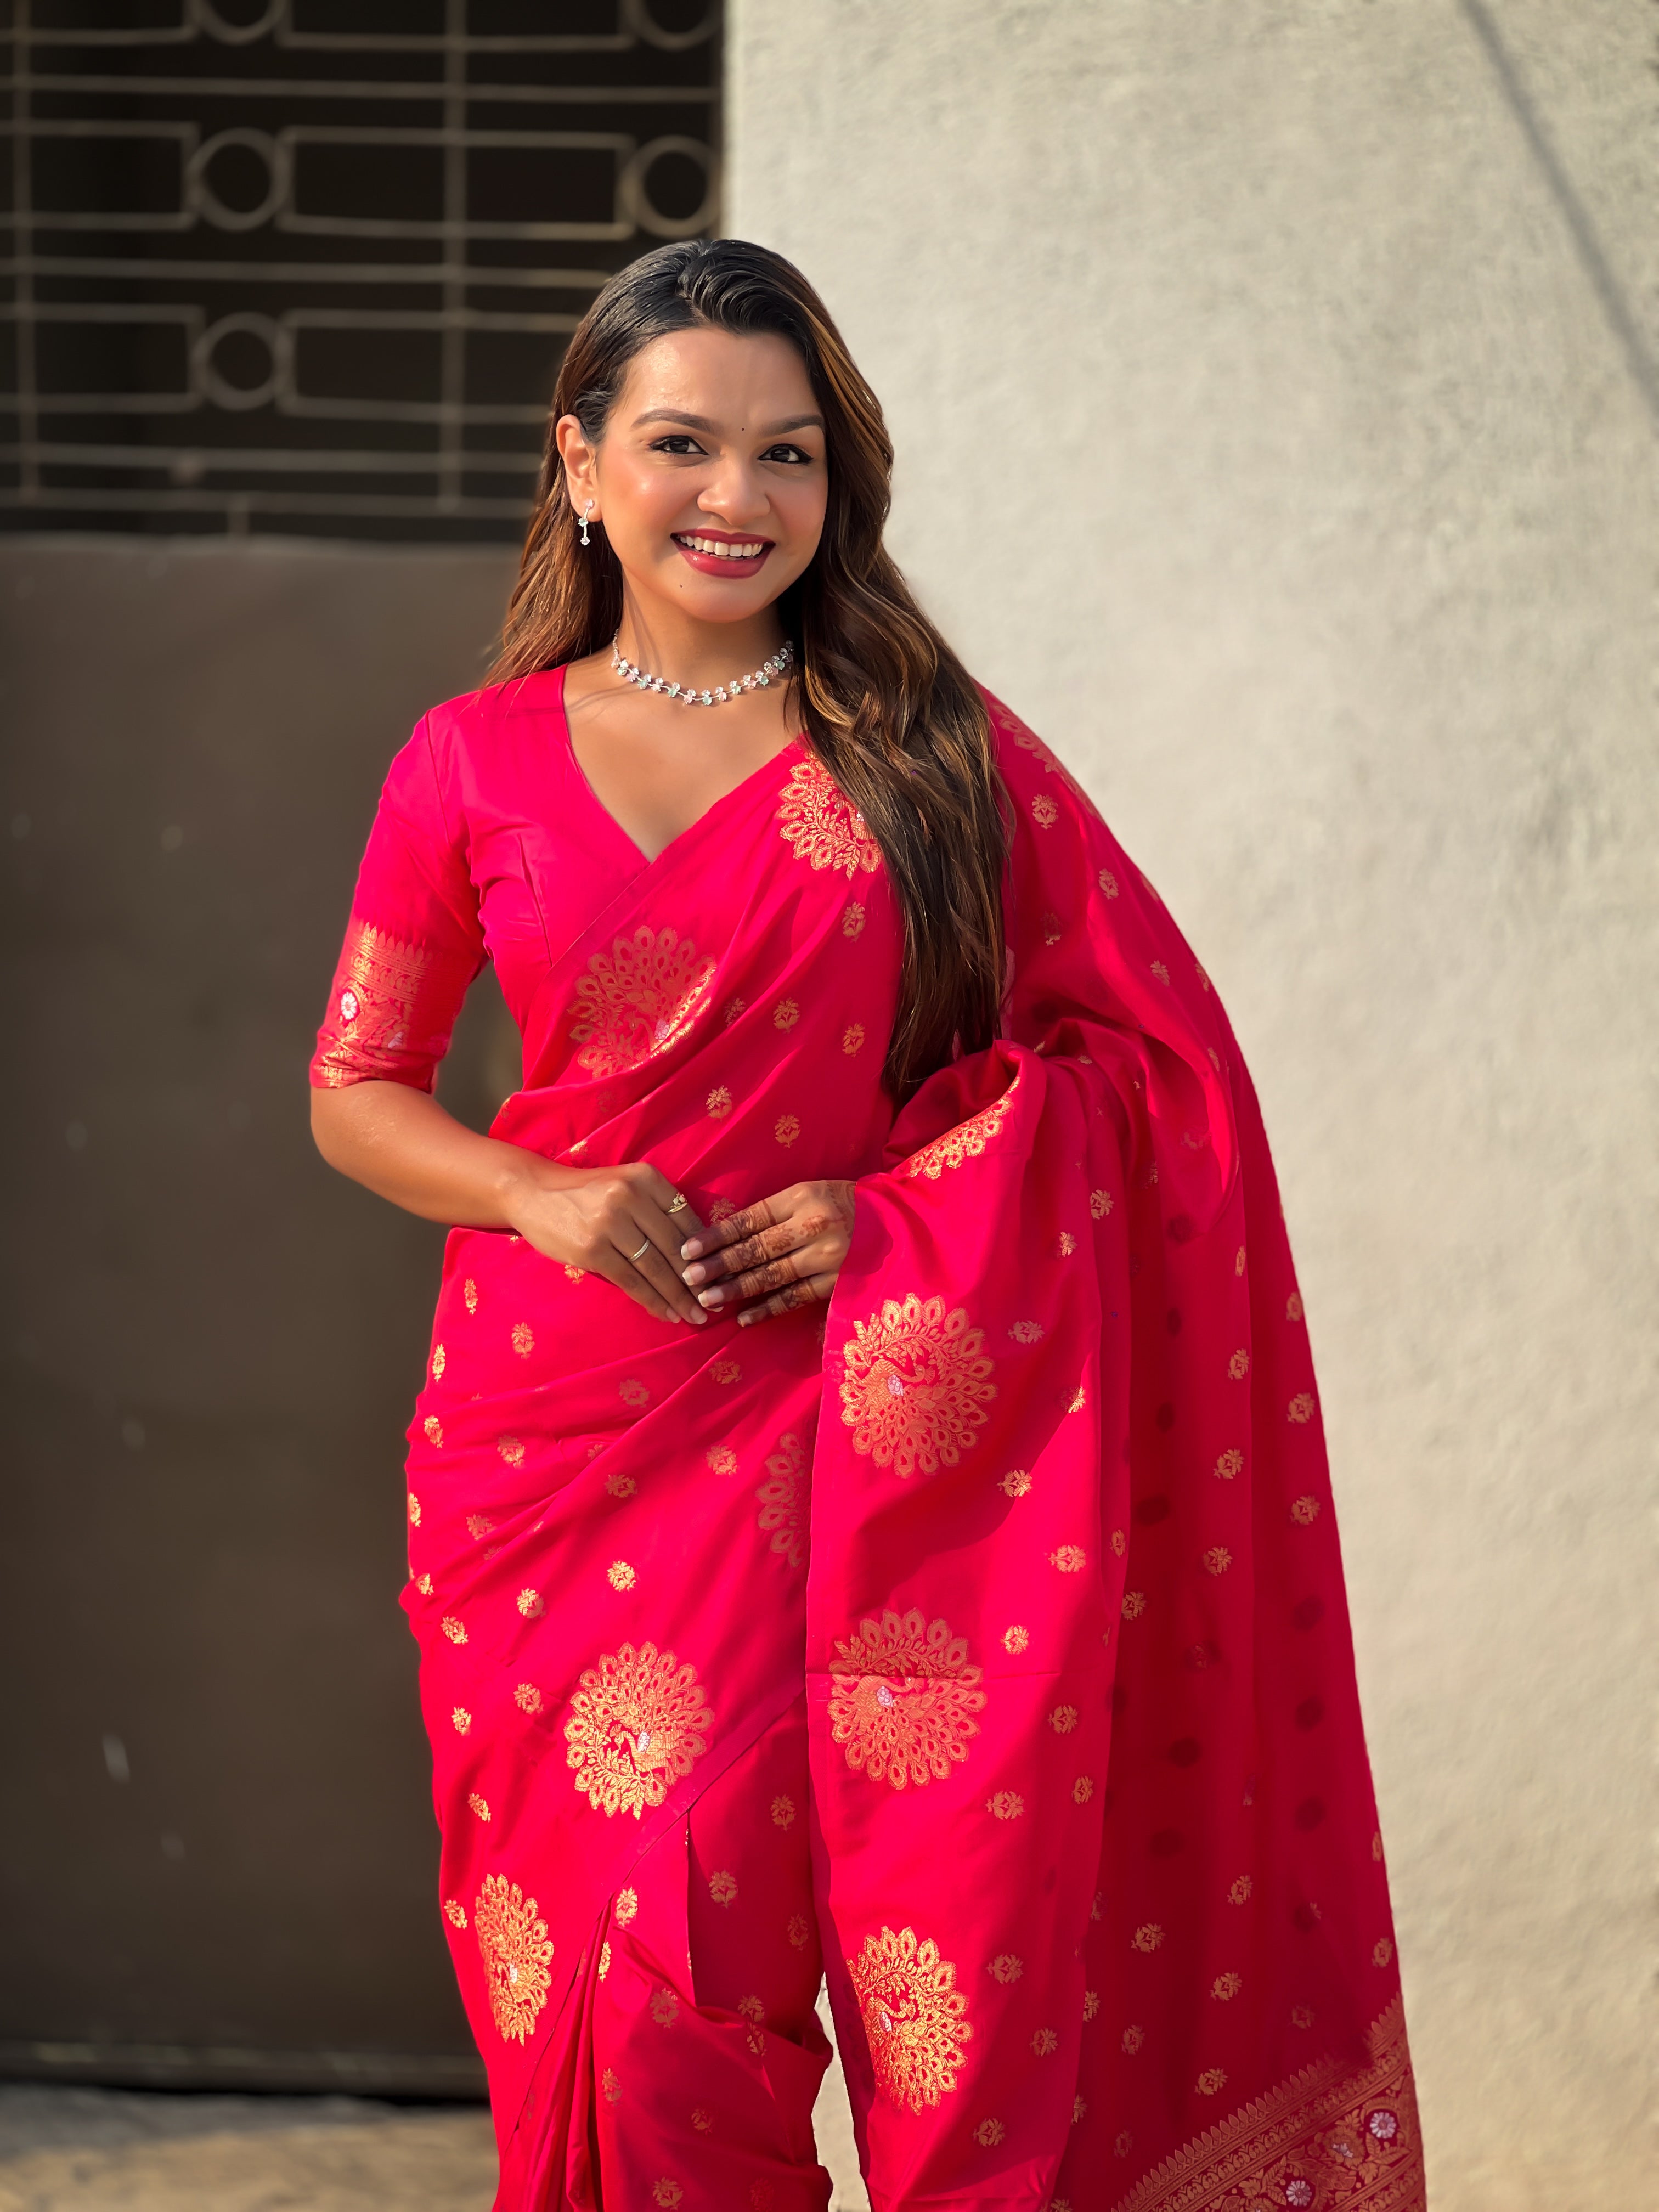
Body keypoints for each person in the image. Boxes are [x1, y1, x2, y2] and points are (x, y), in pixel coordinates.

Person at [309, 239, 1425, 2212]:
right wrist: (541, 1194)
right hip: (550, 1444)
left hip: (861, 1439)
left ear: (842, 485)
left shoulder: (931, 755)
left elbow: (1160, 1080)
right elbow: (356, 1090)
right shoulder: (466, 761)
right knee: (627, 1999)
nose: (735, 498)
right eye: (680, 445)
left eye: (787, 454)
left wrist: (908, 1210)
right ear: (582, 467)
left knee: (880, 1960)